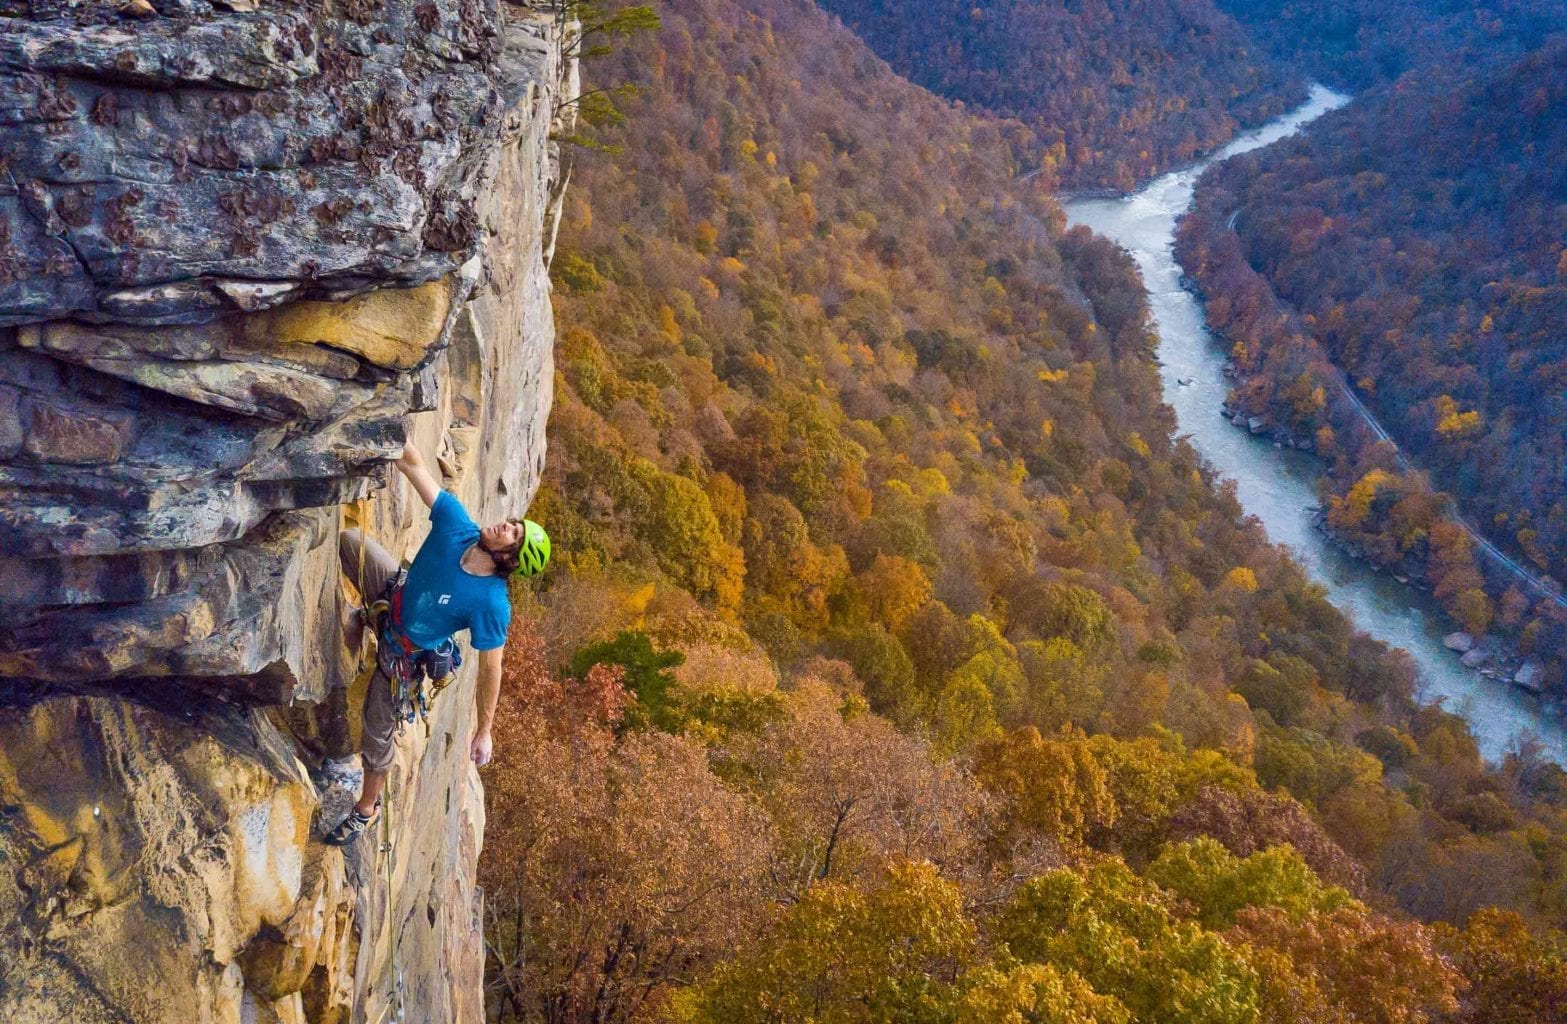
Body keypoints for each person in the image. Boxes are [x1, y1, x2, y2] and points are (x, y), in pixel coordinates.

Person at [323, 439, 550, 846]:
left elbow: (491, 667)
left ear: (509, 561)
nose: (503, 526)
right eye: (512, 523)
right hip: (393, 596)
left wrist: (484, 731)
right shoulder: (457, 526)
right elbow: (415, 468)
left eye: (511, 535)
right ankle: (366, 616)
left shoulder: (491, 604)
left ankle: (366, 811)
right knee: (350, 545)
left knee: (376, 738)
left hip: (403, 655)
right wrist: (390, 429)